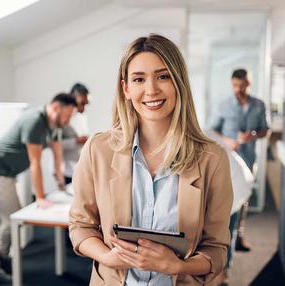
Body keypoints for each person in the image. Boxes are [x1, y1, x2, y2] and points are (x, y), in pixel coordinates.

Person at [69, 34, 233, 286]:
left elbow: (217, 248)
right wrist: (108, 257)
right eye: (139, 79)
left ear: (179, 83)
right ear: (126, 89)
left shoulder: (212, 159)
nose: (151, 90)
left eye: (163, 76)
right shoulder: (98, 150)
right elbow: (81, 226)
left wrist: (178, 265)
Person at [0, 93, 76, 284]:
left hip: (5, 172)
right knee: (12, 218)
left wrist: (61, 185)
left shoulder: (54, 126)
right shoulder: (35, 121)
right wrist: (39, 197)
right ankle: (0, 263)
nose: (68, 120)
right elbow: (35, 163)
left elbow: (57, 157)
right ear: (55, 108)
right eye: (67, 115)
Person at [210, 68, 269, 284]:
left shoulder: (259, 105)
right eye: (235, 85)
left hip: (249, 163)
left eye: (242, 85)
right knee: (230, 212)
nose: (238, 90)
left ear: (249, 83)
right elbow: (211, 130)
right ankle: (225, 264)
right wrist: (228, 140)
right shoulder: (223, 105)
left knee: (242, 207)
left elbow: (266, 130)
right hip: (230, 165)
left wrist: (253, 135)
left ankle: (239, 237)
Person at [61, 83, 90, 184]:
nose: (84, 107)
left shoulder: (82, 116)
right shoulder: (63, 117)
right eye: (82, 103)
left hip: (79, 169)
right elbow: (55, 144)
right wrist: (76, 141)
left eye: (86, 103)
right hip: (65, 171)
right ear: (73, 98)